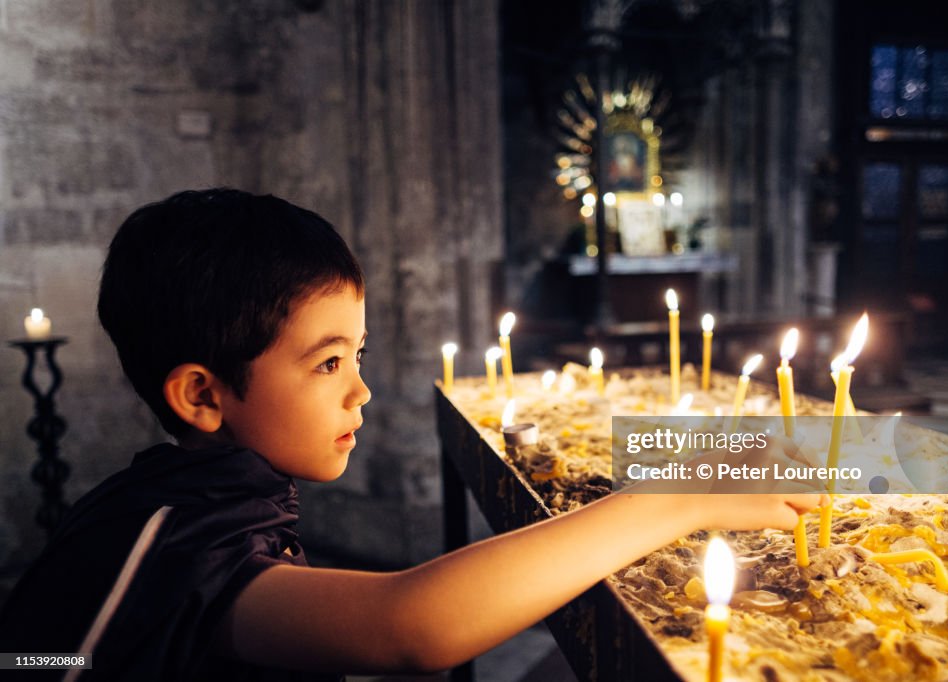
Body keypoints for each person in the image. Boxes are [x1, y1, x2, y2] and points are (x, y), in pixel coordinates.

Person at [0, 189, 823, 680]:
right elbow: (412, 627)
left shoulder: (193, 494)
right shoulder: (172, 542)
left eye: (357, 354)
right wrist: (667, 502)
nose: (362, 389)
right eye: (327, 365)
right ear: (202, 396)